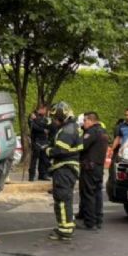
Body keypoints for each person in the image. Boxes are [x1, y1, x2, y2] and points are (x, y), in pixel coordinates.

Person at [45, 102, 83, 241]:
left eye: (56, 118)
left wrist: (47, 150)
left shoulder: (67, 130)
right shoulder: (73, 127)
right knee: (65, 198)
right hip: (68, 168)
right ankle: (67, 225)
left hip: (64, 168)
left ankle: (64, 230)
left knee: (61, 199)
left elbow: (60, 151)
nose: (55, 121)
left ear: (63, 117)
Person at [79, 112, 109, 231]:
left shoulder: (91, 132)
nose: (84, 123)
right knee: (97, 193)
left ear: (91, 120)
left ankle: (90, 222)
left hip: (89, 168)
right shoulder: (103, 131)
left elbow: (82, 146)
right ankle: (98, 219)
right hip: (98, 167)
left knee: (89, 194)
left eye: (85, 121)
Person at [27, 104, 52, 181]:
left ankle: (42, 175)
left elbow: (47, 125)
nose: (45, 111)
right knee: (34, 159)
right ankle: (31, 176)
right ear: (40, 109)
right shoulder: (32, 116)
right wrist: (43, 129)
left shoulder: (45, 117)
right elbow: (33, 126)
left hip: (44, 140)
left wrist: (37, 122)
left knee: (44, 158)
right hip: (36, 140)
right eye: (44, 109)